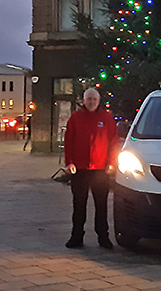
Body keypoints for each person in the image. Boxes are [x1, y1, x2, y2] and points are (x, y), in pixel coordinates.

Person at [63, 88, 118, 249]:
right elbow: (69, 140)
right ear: (83, 101)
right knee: (79, 205)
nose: (92, 102)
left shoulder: (106, 118)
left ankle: (103, 237)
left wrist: (112, 162)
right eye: (89, 99)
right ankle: (76, 236)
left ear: (99, 100)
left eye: (94, 99)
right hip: (80, 169)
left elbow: (113, 142)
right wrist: (70, 161)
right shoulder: (75, 118)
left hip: (101, 170)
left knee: (101, 205)